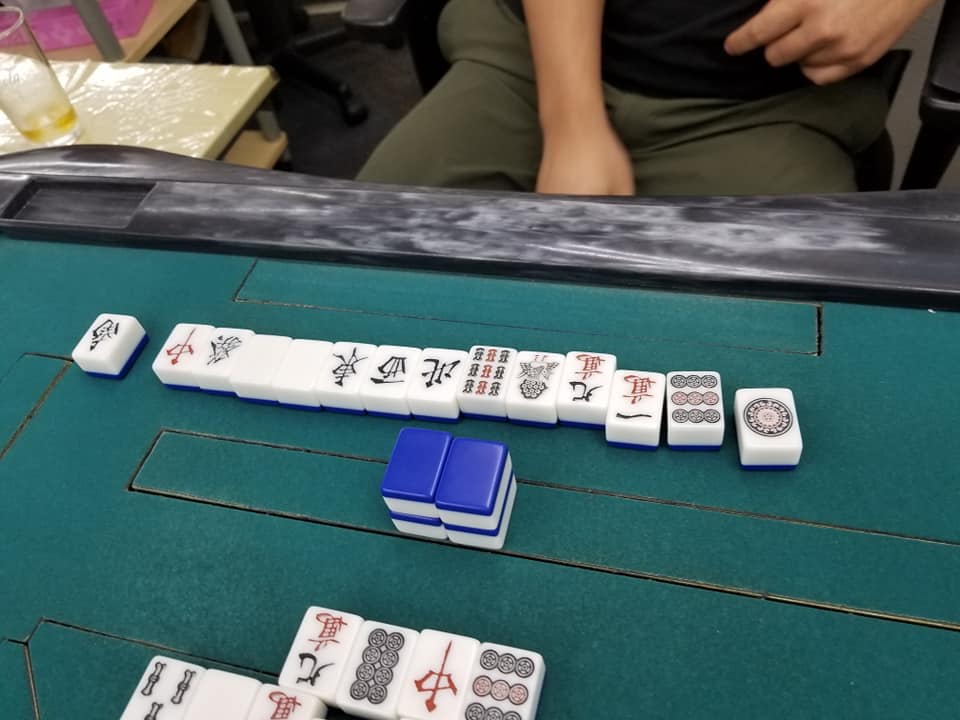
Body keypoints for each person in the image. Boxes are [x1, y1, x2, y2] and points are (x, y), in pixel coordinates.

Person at [357, 0, 935, 195]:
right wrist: (572, 122)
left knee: (785, 357)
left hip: (769, 108)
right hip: (531, 60)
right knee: (352, 280)